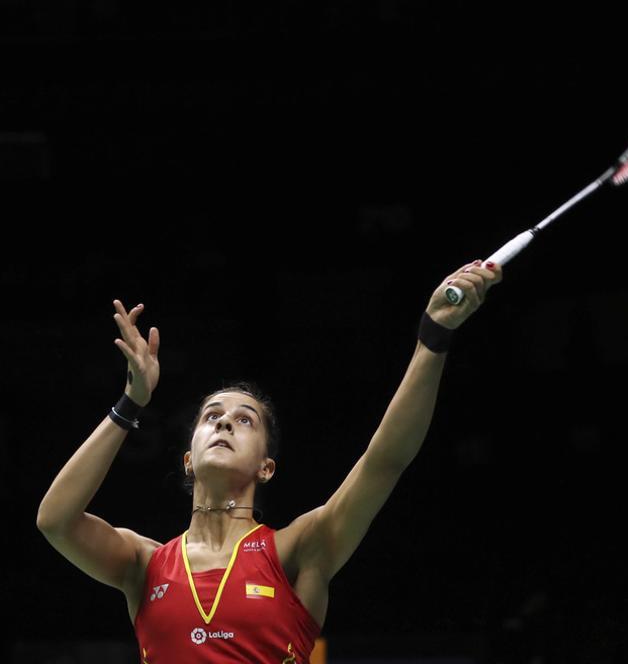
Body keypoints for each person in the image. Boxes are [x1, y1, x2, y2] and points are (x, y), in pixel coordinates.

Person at [37, 258, 503, 662]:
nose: (223, 424)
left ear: (266, 467)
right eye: (212, 417)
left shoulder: (298, 551)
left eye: (244, 421)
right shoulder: (145, 564)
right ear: (188, 461)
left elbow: (385, 459)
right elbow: (55, 520)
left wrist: (433, 338)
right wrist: (131, 402)